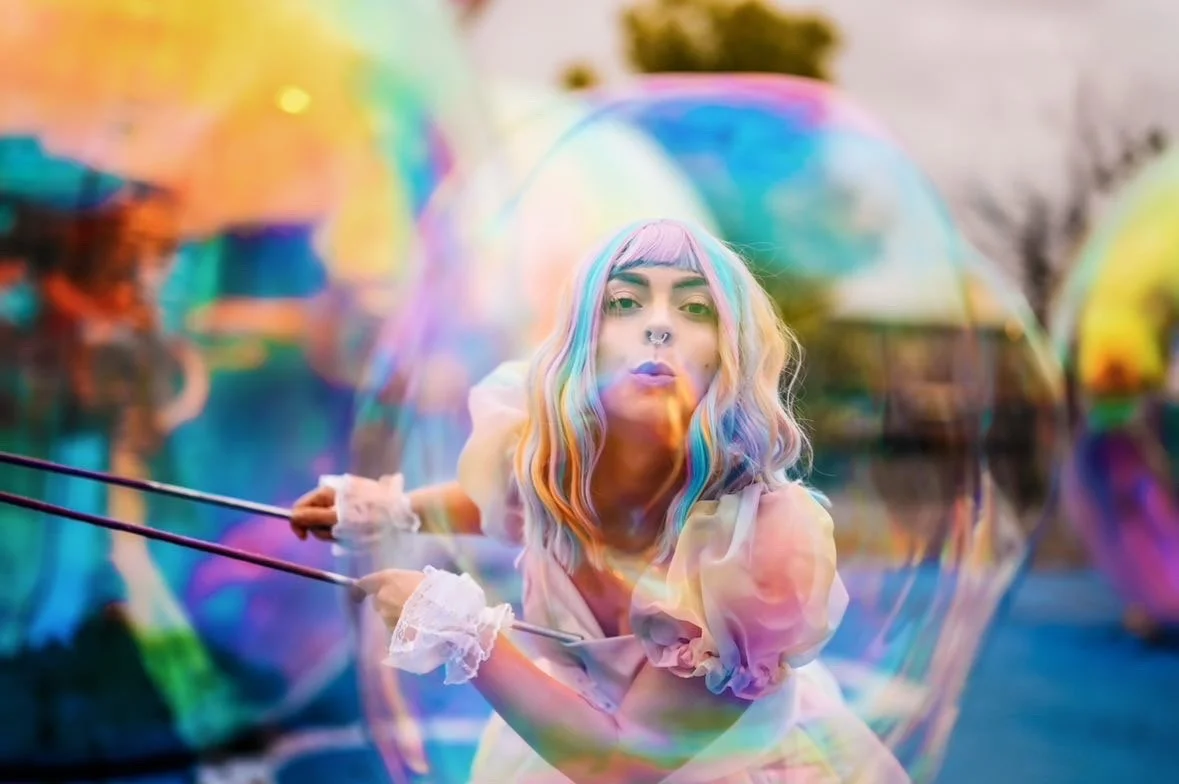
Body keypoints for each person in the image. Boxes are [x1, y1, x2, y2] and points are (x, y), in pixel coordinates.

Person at [291, 219, 910, 783]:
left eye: (696, 307)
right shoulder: (541, 457)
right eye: (624, 301)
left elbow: (625, 763)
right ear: (584, 341)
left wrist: (462, 635)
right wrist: (393, 507)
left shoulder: (760, 547)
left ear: (730, 353)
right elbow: (501, 500)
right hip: (565, 735)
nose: (659, 325)